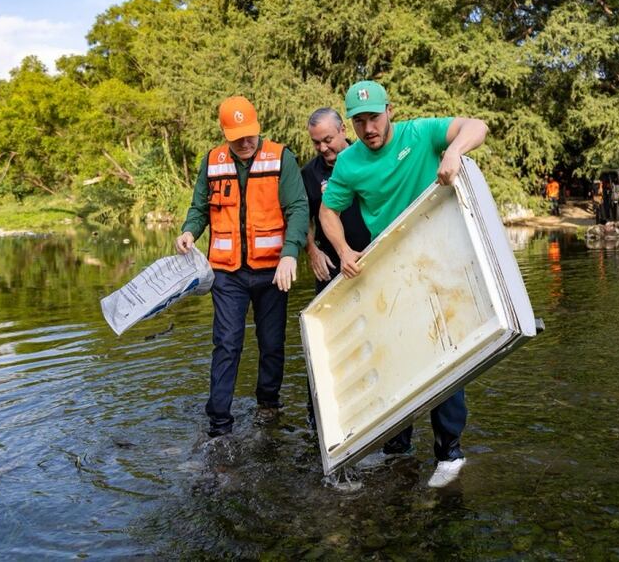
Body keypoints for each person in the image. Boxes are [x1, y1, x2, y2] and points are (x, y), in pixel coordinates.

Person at [318, 80, 487, 487]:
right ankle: (399, 448)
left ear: (389, 110)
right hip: (390, 265)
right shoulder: (349, 163)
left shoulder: (420, 132)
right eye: (359, 122)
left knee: (445, 349)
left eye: (374, 117)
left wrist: (452, 151)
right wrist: (342, 250)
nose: (368, 128)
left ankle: (450, 453)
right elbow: (327, 212)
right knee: (396, 353)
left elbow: (477, 125)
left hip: (439, 253)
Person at [175, 96, 309, 438]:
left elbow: (297, 208)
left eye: (250, 134)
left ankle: (268, 405)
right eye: (237, 137)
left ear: (258, 126)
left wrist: (291, 253)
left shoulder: (282, 158)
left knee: (272, 342)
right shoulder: (212, 161)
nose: (246, 142)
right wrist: (189, 231)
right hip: (227, 272)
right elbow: (199, 208)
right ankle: (219, 422)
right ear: (224, 133)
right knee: (227, 343)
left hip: (273, 271)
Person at [300, 107, 372, 428]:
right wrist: (312, 249)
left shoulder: (367, 158)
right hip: (331, 268)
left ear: (343, 130)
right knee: (329, 342)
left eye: (328, 139)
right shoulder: (310, 174)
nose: (323, 148)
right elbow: (304, 218)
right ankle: (321, 421)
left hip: (372, 259)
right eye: (317, 143)